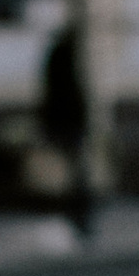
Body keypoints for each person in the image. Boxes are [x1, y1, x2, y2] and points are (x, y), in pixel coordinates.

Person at [37, 24, 94, 245]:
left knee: (73, 175)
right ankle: (78, 216)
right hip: (68, 125)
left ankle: (77, 216)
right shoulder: (65, 60)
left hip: (64, 124)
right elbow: (68, 95)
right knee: (75, 175)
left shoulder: (58, 60)